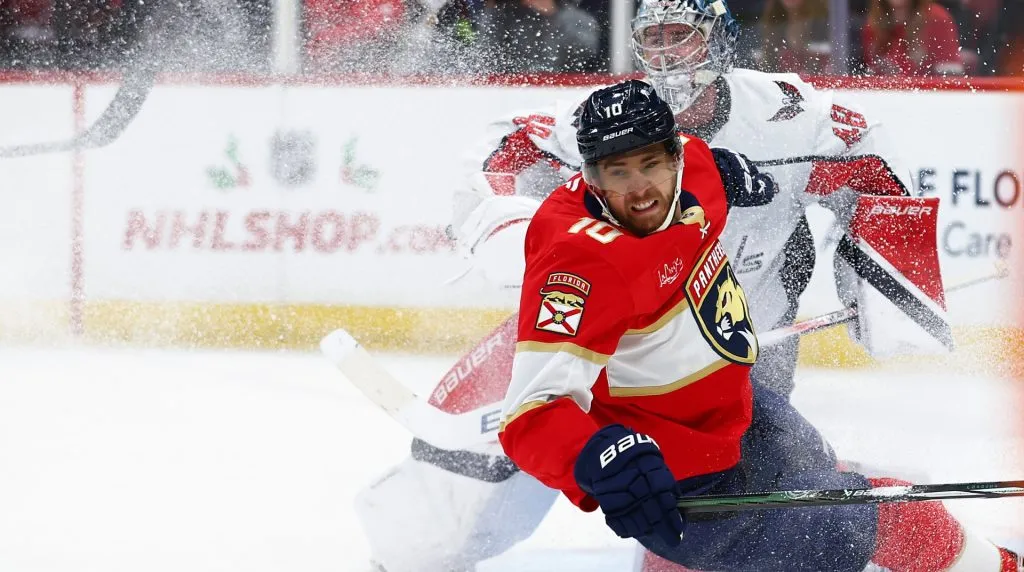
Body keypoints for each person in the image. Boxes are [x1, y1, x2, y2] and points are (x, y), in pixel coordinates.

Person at [353, 1, 989, 569]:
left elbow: (873, 162)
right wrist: (529, 244)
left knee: (742, 522)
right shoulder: (604, 150)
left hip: (738, 362)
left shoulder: (781, 117)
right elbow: (496, 158)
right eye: (650, 38)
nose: (663, 53)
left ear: (717, 40)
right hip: (608, 352)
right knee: (457, 500)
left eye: (678, 36)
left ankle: (928, 535)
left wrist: (881, 287)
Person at [498, 78, 1020, 572]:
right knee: (886, 517)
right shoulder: (578, 266)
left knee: (819, 478)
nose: (640, 192)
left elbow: (706, 171)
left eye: (651, 164)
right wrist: (597, 457)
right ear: (590, 176)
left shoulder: (694, 169)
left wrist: (730, 168)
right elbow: (529, 414)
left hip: (746, 408)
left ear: (676, 155)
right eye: (617, 173)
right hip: (680, 472)